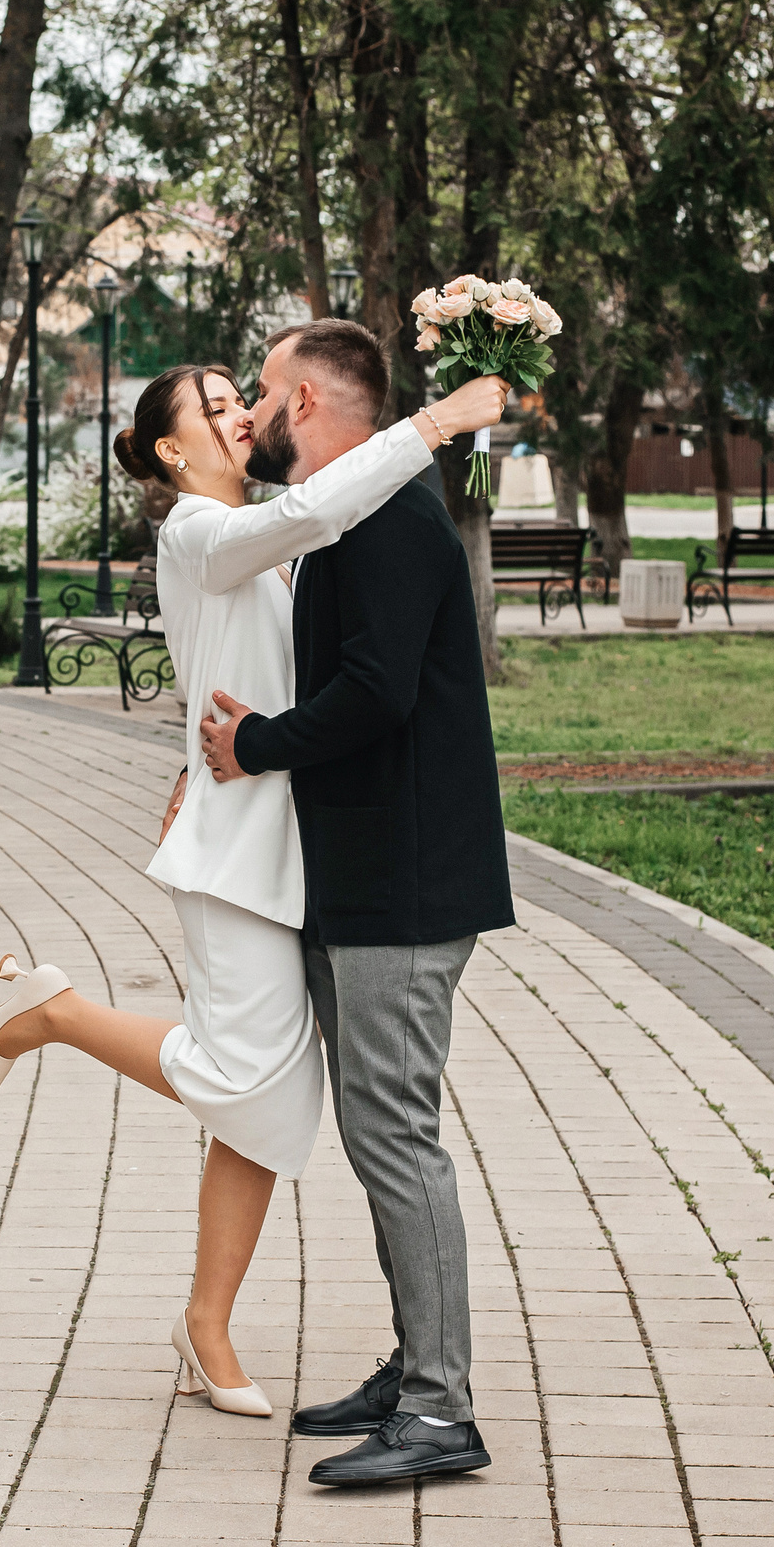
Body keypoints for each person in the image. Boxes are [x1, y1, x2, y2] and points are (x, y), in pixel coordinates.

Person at [0, 353, 507, 1421]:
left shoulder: (261, 533)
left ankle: (205, 1319)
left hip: (289, 846)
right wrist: (435, 423)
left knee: (268, 1100)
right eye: (216, 408)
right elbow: (311, 512)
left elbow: (266, 658)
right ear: (172, 450)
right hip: (235, 857)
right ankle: (52, 1013)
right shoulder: (198, 531)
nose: (240, 414)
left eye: (241, 397)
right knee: (245, 1079)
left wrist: (204, 750)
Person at [195, 318, 516, 1487]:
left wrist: (256, 745)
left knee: (394, 1135)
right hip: (361, 872)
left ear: (308, 402)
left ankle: (439, 1408)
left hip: (406, 880)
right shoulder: (347, 512)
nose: (249, 411)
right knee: (379, 1131)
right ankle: (413, 1365)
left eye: (262, 388)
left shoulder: (389, 517)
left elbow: (375, 691)